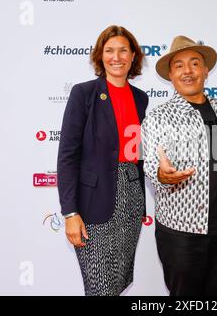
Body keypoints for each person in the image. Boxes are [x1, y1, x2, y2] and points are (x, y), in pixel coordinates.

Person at [141, 35, 217, 296]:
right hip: (182, 233)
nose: (188, 71)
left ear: (206, 71)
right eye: (179, 66)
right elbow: (152, 164)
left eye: (195, 63)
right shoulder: (158, 117)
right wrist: (163, 175)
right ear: (170, 76)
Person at [57, 25, 148, 296]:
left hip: (131, 199)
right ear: (100, 56)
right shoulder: (83, 94)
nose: (116, 57)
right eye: (109, 51)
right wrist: (71, 213)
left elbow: (139, 153)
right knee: (100, 287)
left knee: (118, 283)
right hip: (93, 205)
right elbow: (67, 156)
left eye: (123, 50)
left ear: (133, 56)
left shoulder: (141, 99)